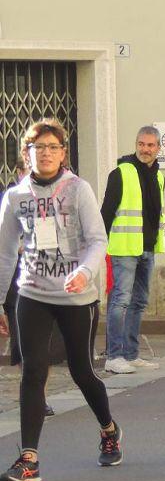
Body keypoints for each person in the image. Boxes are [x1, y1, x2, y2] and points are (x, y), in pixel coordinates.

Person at [0, 118, 120, 481]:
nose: (46, 154)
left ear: (63, 153)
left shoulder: (78, 190)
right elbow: (4, 253)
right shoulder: (16, 197)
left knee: (82, 372)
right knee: (33, 370)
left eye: (53, 147)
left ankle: (109, 429)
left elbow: (98, 240)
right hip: (32, 292)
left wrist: (85, 271)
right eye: (39, 148)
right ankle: (29, 459)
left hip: (76, 296)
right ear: (27, 154)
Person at [100, 126, 165, 374]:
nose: (145, 149)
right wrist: (99, 246)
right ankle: (114, 356)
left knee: (139, 302)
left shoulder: (159, 176)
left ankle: (131, 354)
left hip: (147, 248)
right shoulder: (121, 173)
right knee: (120, 301)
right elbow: (106, 213)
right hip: (124, 248)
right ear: (136, 144)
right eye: (141, 144)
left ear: (158, 148)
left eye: (150, 145)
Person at [3, 156, 55, 417]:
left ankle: (40, 395)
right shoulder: (11, 198)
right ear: (20, 171)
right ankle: (33, 396)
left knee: (46, 341)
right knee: (25, 341)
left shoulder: (55, 197)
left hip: (48, 274)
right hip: (18, 276)